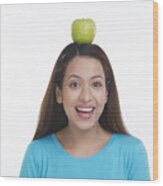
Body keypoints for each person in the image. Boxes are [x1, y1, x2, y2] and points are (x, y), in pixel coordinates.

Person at [19, 43, 150, 180]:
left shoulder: (133, 153)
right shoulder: (37, 154)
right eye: (74, 84)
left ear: (106, 93)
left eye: (96, 84)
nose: (86, 97)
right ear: (59, 93)